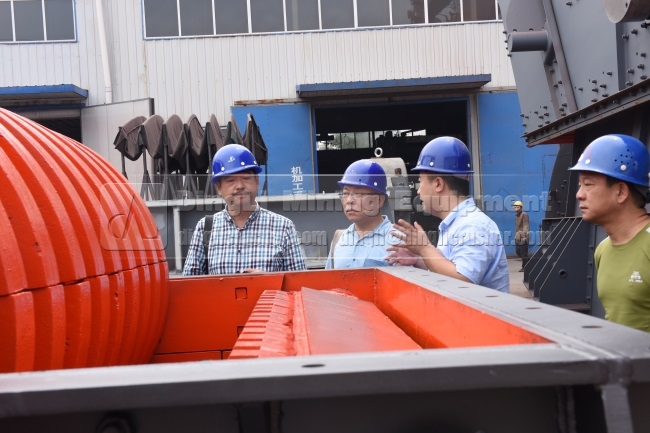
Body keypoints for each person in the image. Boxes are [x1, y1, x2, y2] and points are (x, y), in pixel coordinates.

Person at [386, 136, 510, 293]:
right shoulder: (455, 224)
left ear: (438, 184)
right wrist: (419, 259)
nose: (418, 190)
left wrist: (424, 249)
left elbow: (463, 280)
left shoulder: (473, 225)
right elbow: (450, 270)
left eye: (420, 181)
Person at [183, 144, 306, 275]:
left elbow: (299, 283)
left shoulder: (283, 227)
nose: (240, 186)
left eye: (246, 178)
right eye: (231, 180)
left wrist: (269, 279)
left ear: (257, 181)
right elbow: (189, 284)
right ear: (219, 188)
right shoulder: (205, 228)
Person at [569, 134, 650, 332]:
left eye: (588, 184)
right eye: (580, 185)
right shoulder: (603, 250)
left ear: (621, 192)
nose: (579, 194)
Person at [326, 159, 400, 269]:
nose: (349, 200)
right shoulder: (340, 239)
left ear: (379, 201)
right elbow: (329, 282)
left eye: (358, 194)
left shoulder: (398, 241)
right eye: (346, 193)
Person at [513, 200, 530, 271]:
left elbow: (525, 225)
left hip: (523, 237)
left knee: (523, 253)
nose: (516, 208)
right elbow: (517, 228)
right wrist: (515, 236)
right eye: (515, 207)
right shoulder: (517, 216)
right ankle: (529, 262)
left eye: (518, 207)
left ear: (521, 207)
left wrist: (525, 236)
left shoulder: (524, 215)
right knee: (518, 252)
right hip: (518, 237)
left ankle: (525, 267)